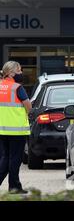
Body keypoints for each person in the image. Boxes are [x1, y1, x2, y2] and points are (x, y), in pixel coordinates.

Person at [0, 61, 32, 194]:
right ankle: (14, 187)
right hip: (17, 131)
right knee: (15, 160)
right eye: (19, 71)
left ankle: (15, 186)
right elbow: (28, 106)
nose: (21, 73)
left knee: (5, 158)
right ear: (11, 73)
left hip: (1, 129)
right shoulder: (17, 87)